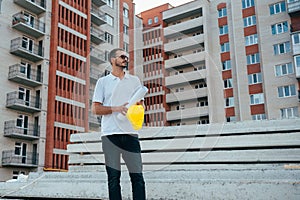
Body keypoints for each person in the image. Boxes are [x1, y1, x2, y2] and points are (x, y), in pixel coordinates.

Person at [92, 48, 146, 200]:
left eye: (127, 57)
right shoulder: (103, 82)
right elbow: (95, 109)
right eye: (122, 57)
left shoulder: (134, 81)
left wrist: (138, 107)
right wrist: (117, 108)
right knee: (113, 179)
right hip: (110, 135)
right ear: (112, 60)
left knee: (138, 177)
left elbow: (140, 105)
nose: (125, 59)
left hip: (130, 134)